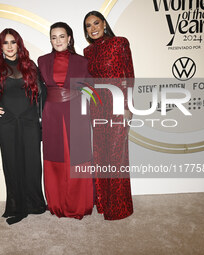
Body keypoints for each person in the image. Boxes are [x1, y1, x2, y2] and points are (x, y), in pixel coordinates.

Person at [0, 28, 46, 225]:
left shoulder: (30, 65)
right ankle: (15, 205)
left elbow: (42, 92)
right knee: (11, 164)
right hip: (7, 123)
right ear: (1, 46)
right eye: (6, 42)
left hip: (29, 121)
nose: (10, 46)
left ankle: (35, 203)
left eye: (13, 42)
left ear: (19, 45)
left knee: (32, 163)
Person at [38, 22, 93, 219]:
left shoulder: (82, 62)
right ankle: (57, 203)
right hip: (52, 113)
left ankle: (79, 203)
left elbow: (90, 87)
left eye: (62, 36)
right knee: (55, 158)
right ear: (50, 40)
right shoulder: (42, 61)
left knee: (77, 157)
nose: (58, 41)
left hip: (76, 112)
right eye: (54, 37)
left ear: (69, 38)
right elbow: (38, 89)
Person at [83, 10, 134, 220]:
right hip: (97, 108)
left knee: (116, 157)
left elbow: (129, 76)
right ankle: (104, 203)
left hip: (117, 105)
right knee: (101, 156)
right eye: (88, 25)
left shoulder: (120, 43)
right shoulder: (87, 51)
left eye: (96, 23)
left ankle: (120, 207)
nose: (93, 28)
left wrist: (128, 106)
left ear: (104, 23)